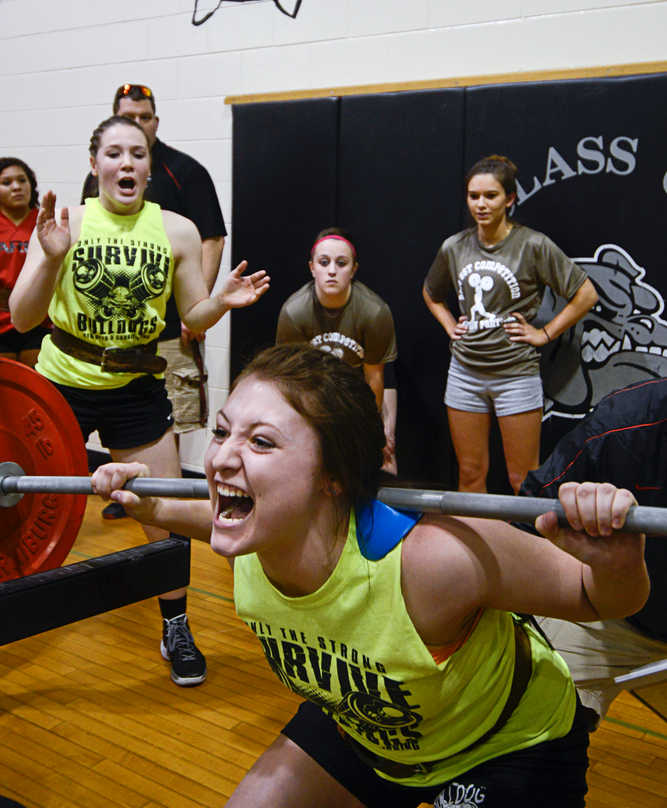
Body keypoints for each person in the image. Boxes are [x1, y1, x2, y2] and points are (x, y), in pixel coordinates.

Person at [92, 343, 649, 807]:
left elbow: (596, 596)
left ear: (332, 477)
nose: (219, 460)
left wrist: (618, 559)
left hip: (503, 745)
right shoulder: (256, 529)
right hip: (369, 728)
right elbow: (201, 513)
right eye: (222, 432)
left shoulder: (432, 560)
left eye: (261, 441)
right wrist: (152, 504)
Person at [10, 114, 269, 687]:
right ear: (95, 163)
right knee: (18, 503)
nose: (126, 163)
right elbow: (25, 317)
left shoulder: (176, 230)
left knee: (165, 513)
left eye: (137, 153)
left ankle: (175, 624)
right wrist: (51, 257)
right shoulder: (64, 223)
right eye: (114, 153)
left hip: (136, 386)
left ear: (150, 166)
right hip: (62, 384)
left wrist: (221, 301)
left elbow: (192, 318)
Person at [82, 84, 227, 516]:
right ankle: (126, 491)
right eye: (129, 117)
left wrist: (193, 308)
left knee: (171, 417)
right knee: (115, 414)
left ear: (155, 123)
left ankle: (160, 503)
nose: (138, 125)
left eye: (145, 118)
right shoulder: (99, 178)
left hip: (169, 327)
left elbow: (212, 239)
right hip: (110, 332)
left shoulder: (186, 170)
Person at [422, 154, 598, 494]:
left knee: (522, 480)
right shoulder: (454, 247)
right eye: (474, 196)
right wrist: (449, 326)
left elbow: (586, 294)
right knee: (470, 473)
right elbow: (431, 293)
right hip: (465, 374)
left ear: (510, 199)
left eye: (491, 196)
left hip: (515, 375)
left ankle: (521, 548)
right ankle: (476, 548)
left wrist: (544, 333)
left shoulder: (533, 245)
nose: (481, 204)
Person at [519, 376, 667, 724]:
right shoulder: (623, 422)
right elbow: (527, 520)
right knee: (528, 715)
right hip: (617, 625)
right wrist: (590, 570)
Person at [276, 227, 399, 471]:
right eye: (324, 262)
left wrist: (375, 430)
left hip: (363, 387)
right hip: (315, 389)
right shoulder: (294, 312)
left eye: (341, 263)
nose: (332, 271)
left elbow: (375, 378)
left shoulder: (374, 312)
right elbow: (290, 380)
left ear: (353, 270)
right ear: (312, 268)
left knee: (384, 462)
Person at [0, 158, 50, 366]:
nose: (17, 187)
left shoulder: (46, 223)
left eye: (22, 180)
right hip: (2, 321)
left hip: (38, 320)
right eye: (7, 182)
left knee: (34, 386)